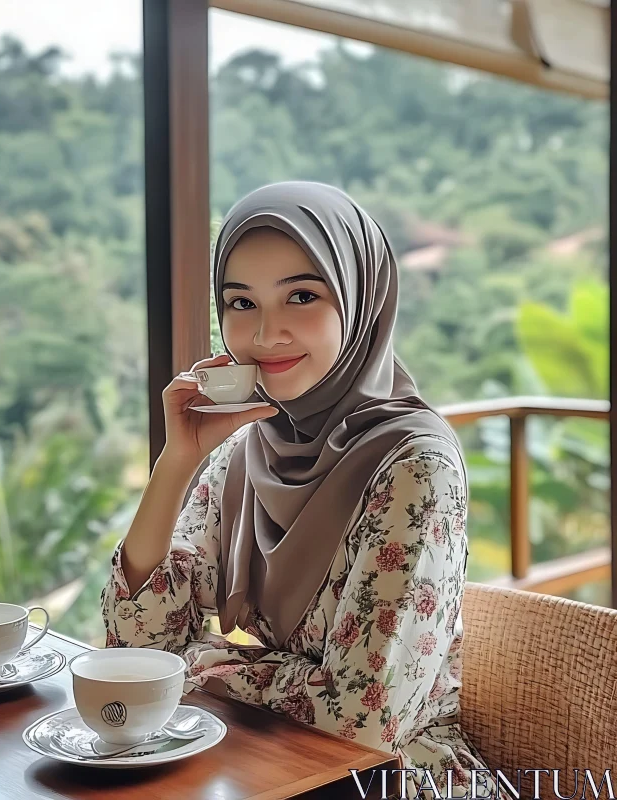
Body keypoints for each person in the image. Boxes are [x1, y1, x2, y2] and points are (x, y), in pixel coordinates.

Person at [100, 181, 506, 799]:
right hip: (270, 759)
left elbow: (365, 719)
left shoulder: (414, 466)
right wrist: (176, 461)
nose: (267, 334)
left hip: (388, 781)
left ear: (361, 301)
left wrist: (204, 660)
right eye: (241, 303)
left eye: (302, 296)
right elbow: (135, 646)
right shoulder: (246, 449)